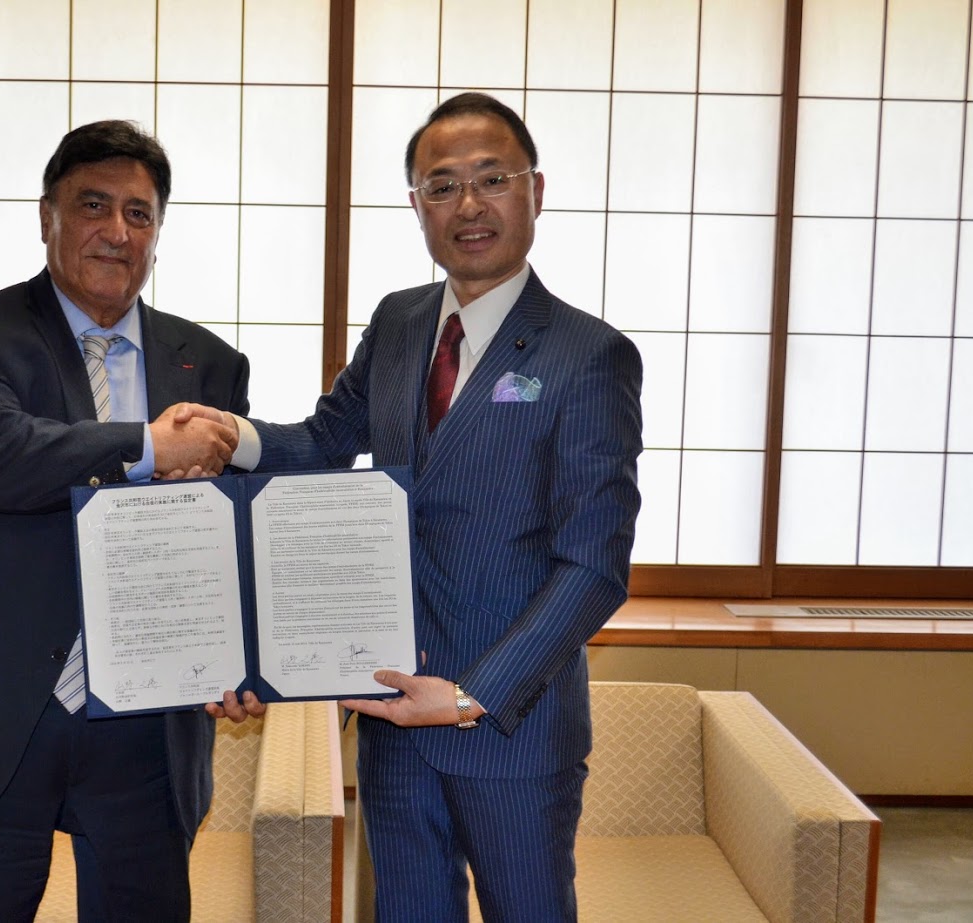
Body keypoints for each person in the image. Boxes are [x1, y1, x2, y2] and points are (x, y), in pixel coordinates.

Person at [183, 92, 644, 920]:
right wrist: (232, 436)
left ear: (534, 190)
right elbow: (326, 440)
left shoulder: (588, 356)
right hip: (391, 712)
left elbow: (594, 566)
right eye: (440, 186)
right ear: (416, 207)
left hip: (509, 729)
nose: (467, 205)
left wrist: (470, 693)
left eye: (490, 178)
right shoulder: (398, 323)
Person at [0, 119, 263, 923]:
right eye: (93, 205)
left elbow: (224, 534)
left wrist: (243, 656)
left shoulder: (210, 365)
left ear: (158, 233)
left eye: (139, 213)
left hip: (148, 725)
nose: (116, 230)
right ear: (46, 216)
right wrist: (145, 447)